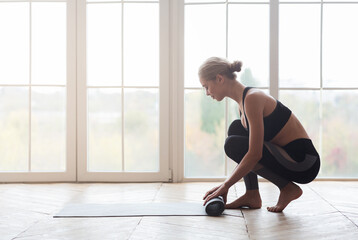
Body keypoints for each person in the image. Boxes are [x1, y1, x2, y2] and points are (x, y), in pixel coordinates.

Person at [200, 57, 320, 212]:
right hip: (287, 157)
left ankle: (288, 188)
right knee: (236, 129)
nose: (207, 93)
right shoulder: (243, 104)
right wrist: (225, 185)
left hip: (304, 163)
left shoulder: (252, 98)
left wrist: (225, 186)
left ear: (219, 79)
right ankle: (252, 194)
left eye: (206, 87)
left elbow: (254, 154)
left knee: (233, 144)